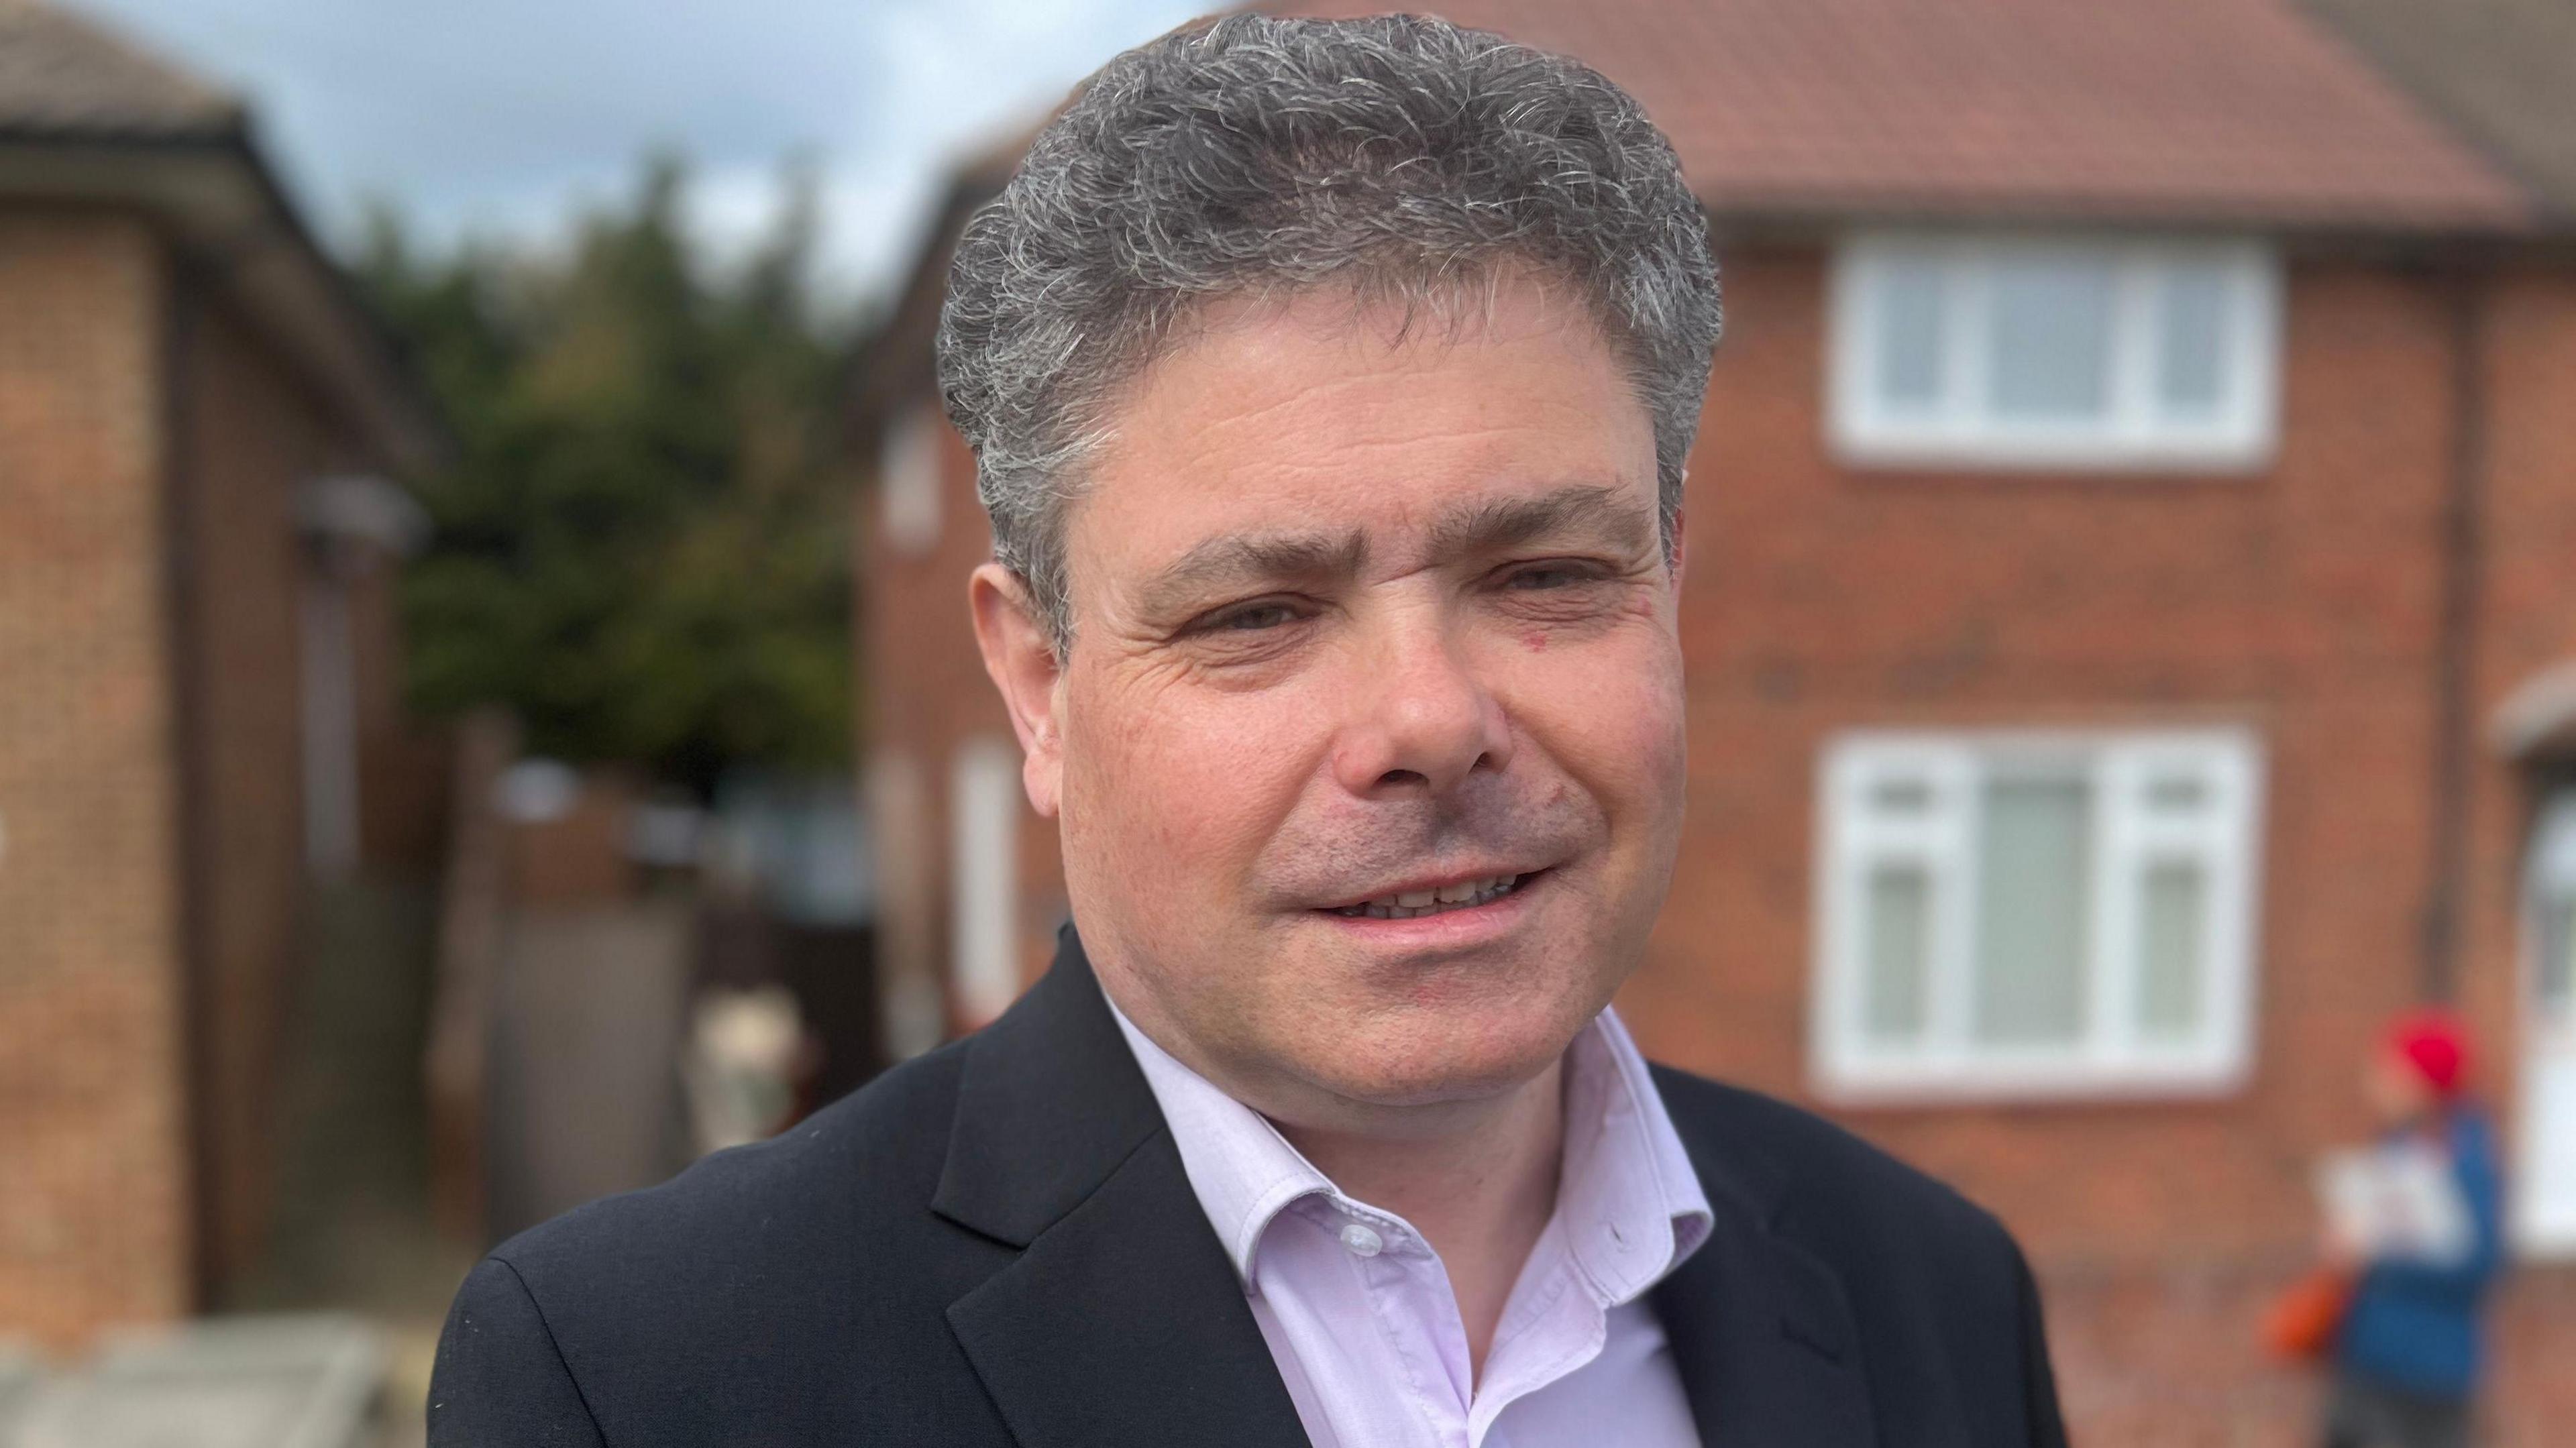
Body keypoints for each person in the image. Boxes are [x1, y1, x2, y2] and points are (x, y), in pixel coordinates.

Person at [428, 15, 2069, 1446]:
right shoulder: (649, 1382)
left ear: (1670, 580)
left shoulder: (1929, 1290)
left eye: (1546, 572)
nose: (1430, 720)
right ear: (1037, 685)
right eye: (1255, 615)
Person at [2320, 1011, 2506, 1448]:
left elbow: (2479, 1263)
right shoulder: (2396, 1144)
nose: (2377, 1081)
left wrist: (2375, 1255)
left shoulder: (2466, 1156)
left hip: (2427, 1374)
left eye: (2390, 1070)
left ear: (2423, 1081)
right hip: (2369, 1360)